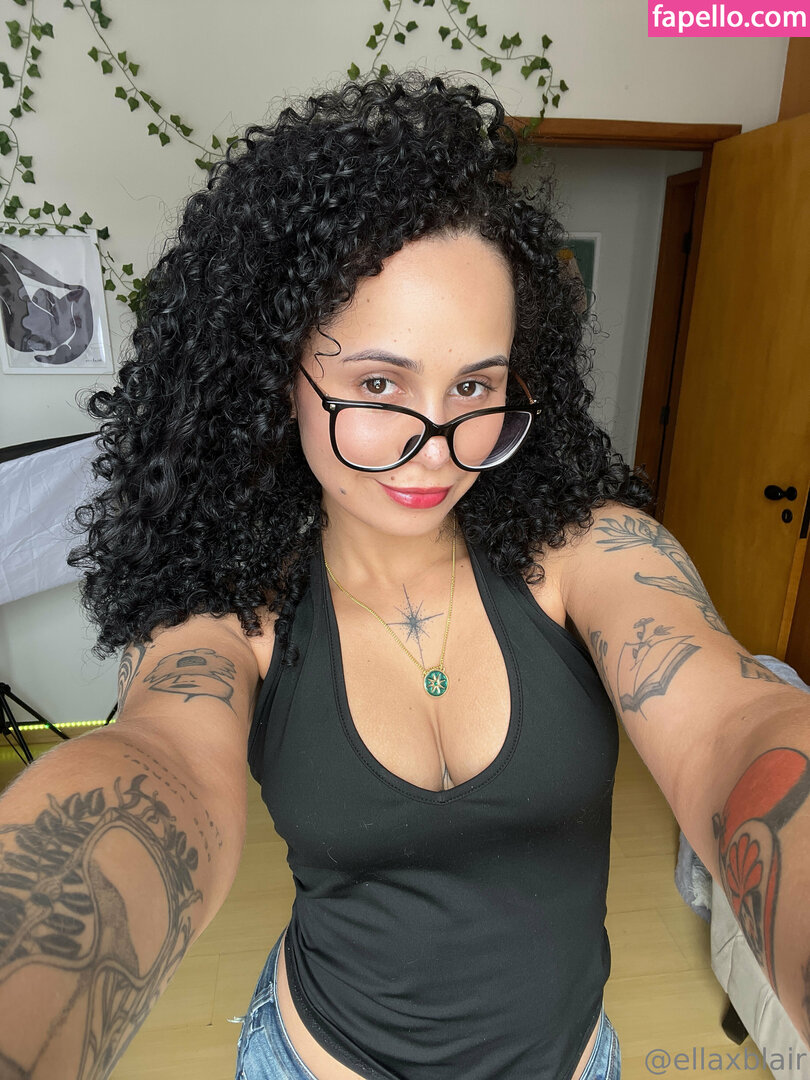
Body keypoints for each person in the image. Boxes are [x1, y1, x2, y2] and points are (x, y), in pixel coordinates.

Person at [7, 67, 803, 1080]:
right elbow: (151, 764)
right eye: (379, 382)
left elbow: (737, 728)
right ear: (275, 375)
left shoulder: (593, 553)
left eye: (475, 387)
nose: (436, 447)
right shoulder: (232, 612)